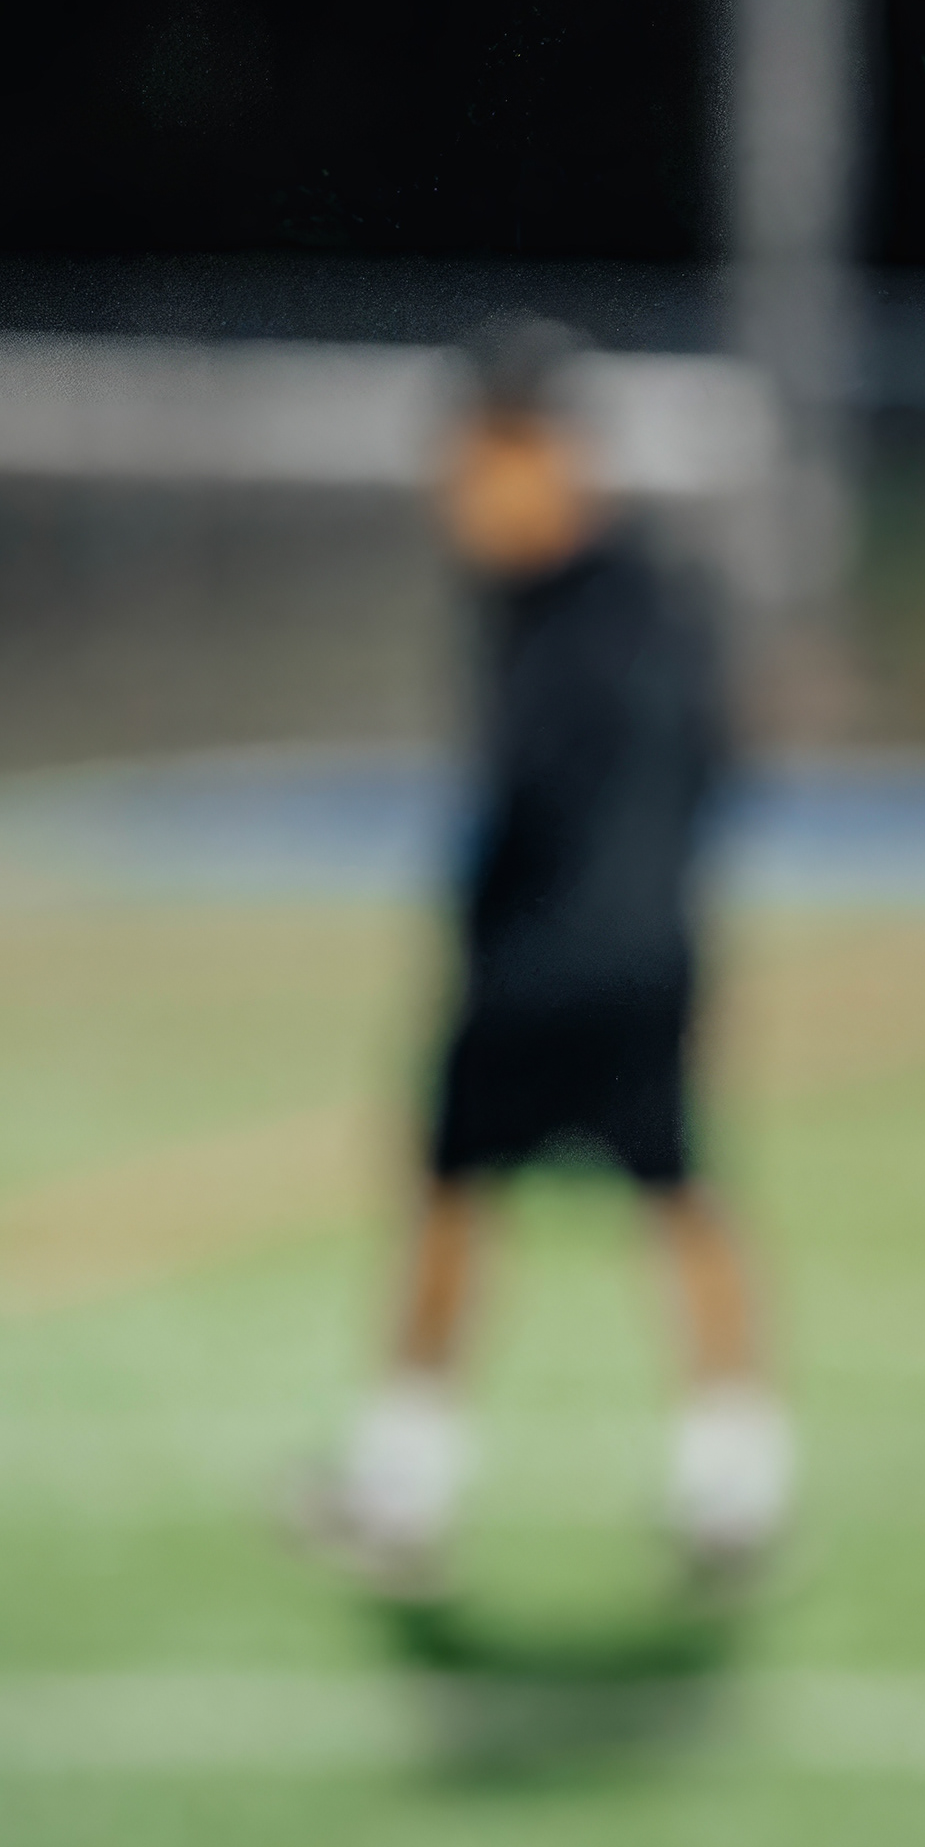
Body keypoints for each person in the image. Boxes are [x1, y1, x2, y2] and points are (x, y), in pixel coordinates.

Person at [299, 314, 790, 1597]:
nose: (462, 491)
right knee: (653, 1191)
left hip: (554, 961)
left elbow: (545, 794)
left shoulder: (579, 604)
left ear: (545, 454)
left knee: (491, 1192)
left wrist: (519, 920)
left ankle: (408, 1483)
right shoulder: (627, 593)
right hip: (635, 954)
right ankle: (731, 1480)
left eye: (485, 459)